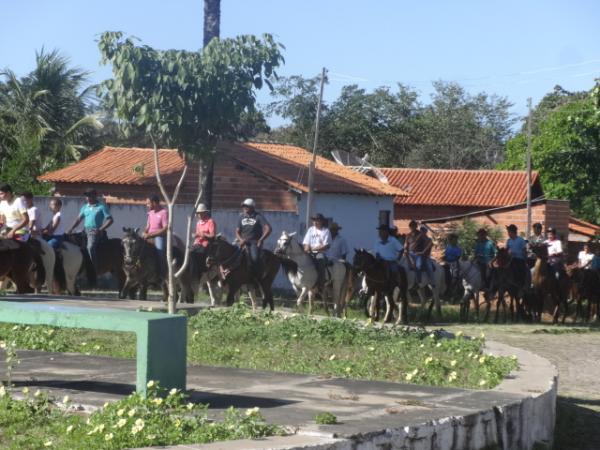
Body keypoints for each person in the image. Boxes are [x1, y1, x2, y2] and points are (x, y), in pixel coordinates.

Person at [66, 188, 113, 266]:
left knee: (90, 247)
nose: (87, 198)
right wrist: (70, 229)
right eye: (86, 196)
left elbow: (110, 220)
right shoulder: (85, 207)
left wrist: (100, 229)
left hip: (94, 231)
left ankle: (92, 268)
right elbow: (78, 219)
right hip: (85, 230)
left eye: (89, 196)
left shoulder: (101, 207)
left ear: (95, 196)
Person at [235, 198, 271, 277]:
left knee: (254, 258)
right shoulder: (241, 217)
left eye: (246, 206)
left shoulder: (258, 216)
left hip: (253, 243)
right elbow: (237, 231)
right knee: (230, 255)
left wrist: (261, 240)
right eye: (244, 206)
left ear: (252, 207)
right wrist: (241, 240)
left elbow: (268, 228)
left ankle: (256, 277)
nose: (244, 208)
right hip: (241, 242)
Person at [142, 195, 168, 274]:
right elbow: (148, 226)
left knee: (160, 252)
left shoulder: (164, 212)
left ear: (154, 203)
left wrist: (151, 235)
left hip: (159, 237)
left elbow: (165, 228)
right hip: (149, 236)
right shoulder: (150, 213)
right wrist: (145, 232)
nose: (147, 205)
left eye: (148, 203)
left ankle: (162, 273)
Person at [303, 213, 331, 286]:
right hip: (310, 252)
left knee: (320, 259)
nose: (315, 222)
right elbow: (306, 242)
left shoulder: (326, 231)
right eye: (314, 220)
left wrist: (312, 249)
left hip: (321, 253)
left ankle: (321, 281)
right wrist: (306, 249)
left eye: (317, 220)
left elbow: (326, 245)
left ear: (321, 221)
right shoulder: (310, 230)